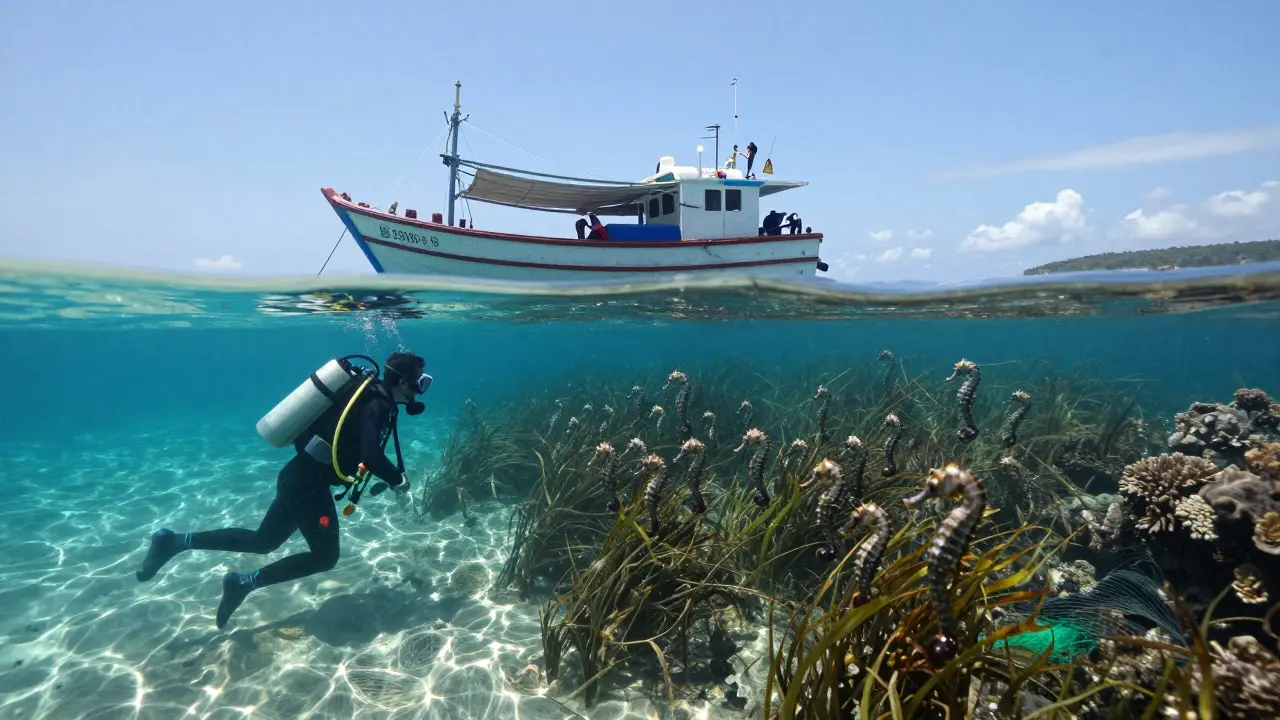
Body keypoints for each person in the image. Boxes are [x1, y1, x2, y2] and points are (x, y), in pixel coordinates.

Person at [135, 351, 431, 629]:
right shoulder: (376, 403)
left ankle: (174, 543)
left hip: (297, 477)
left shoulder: (366, 394)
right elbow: (371, 457)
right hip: (307, 487)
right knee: (325, 557)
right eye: (420, 382)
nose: (420, 388)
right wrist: (398, 481)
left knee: (263, 541)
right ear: (403, 382)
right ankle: (241, 583)